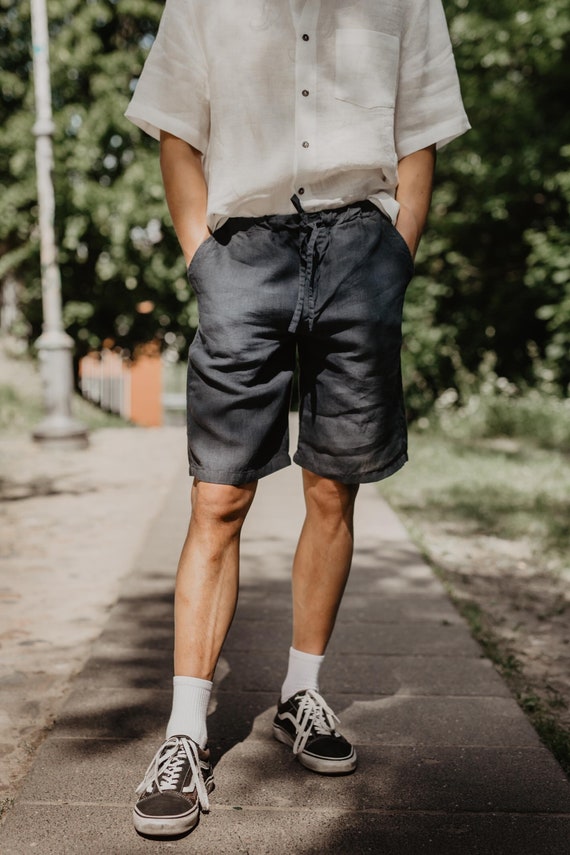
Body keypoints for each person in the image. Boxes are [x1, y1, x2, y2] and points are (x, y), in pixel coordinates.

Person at [125, 0, 469, 839]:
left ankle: (301, 692)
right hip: (242, 255)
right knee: (219, 496)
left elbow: (420, 131)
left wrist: (397, 253)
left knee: (332, 487)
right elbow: (177, 131)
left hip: (361, 253)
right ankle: (183, 733)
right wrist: (203, 261)